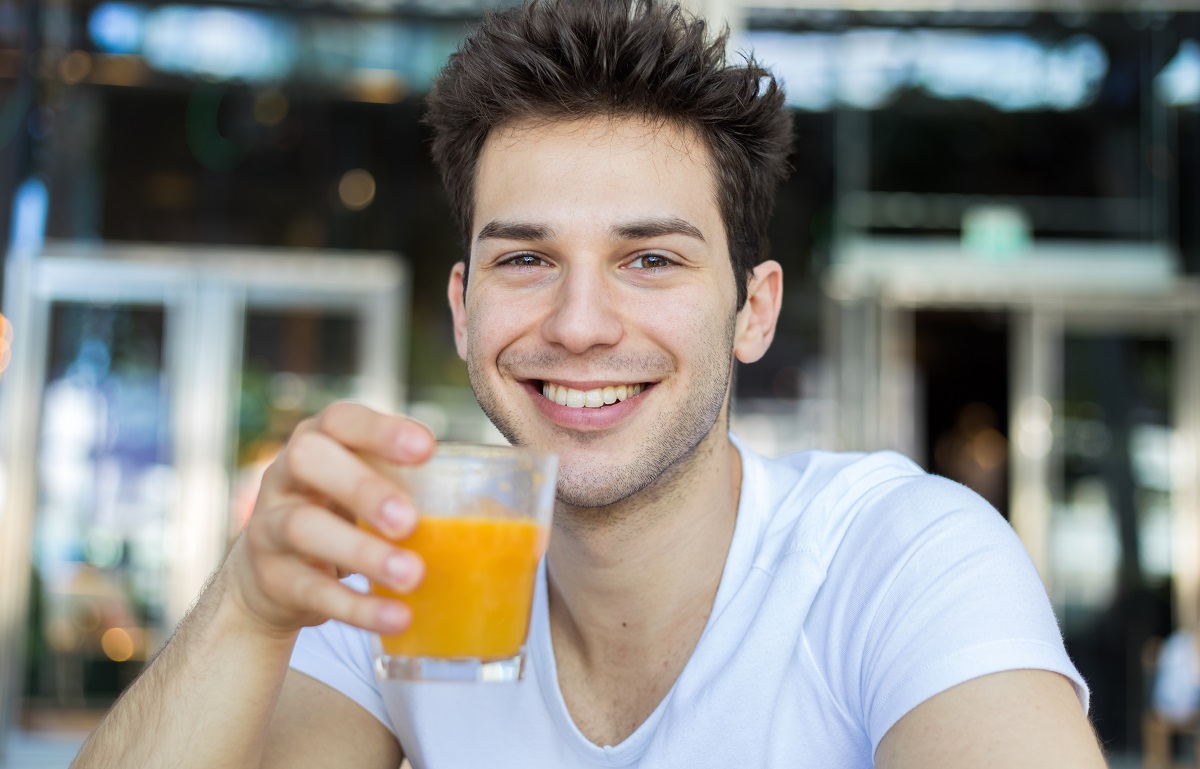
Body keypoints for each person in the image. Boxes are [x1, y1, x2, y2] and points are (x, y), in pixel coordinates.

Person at [71, 1, 1106, 767]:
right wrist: (250, 602)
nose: (576, 323)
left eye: (649, 260)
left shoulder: (898, 560)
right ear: (464, 308)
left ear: (756, 310)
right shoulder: (404, 579)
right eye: (525, 260)